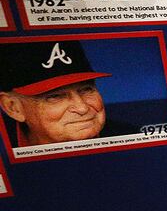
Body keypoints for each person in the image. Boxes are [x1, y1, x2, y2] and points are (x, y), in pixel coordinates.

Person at [0, 40, 134, 147]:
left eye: (86, 90)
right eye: (55, 96)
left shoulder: (134, 139)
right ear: (13, 108)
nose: (82, 108)